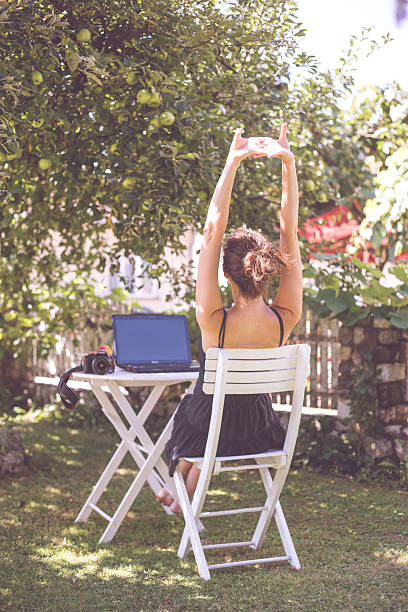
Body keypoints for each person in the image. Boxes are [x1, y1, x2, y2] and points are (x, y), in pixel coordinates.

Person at [158, 123, 302, 513]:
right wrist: (288, 162)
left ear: (226, 274)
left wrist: (232, 161)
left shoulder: (213, 319)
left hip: (210, 425)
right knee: (221, 412)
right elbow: (290, 232)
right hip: (259, 431)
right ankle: (179, 496)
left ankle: (180, 492)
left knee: (202, 410)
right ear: (270, 269)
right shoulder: (285, 317)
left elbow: (211, 230)